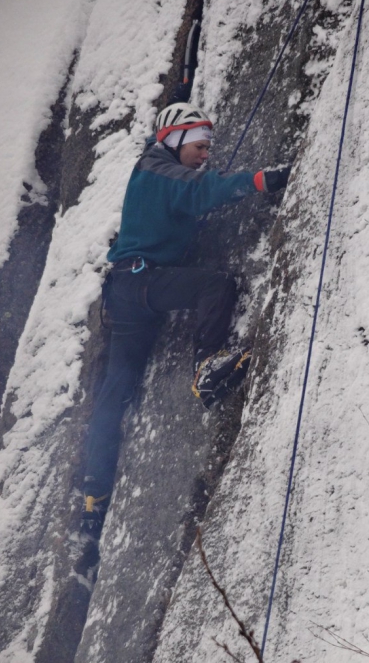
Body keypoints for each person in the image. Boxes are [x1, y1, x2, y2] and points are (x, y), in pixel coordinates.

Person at [82, 102, 291, 529]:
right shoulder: (158, 171)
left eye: (208, 147)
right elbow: (197, 190)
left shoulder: (155, 173)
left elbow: (190, 194)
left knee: (117, 388)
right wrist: (261, 181)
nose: (205, 153)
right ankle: (206, 365)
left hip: (126, 293)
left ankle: (94, 488)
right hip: (142, 283)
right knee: (216, 284)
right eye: (199, 144)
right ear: (173, 140)